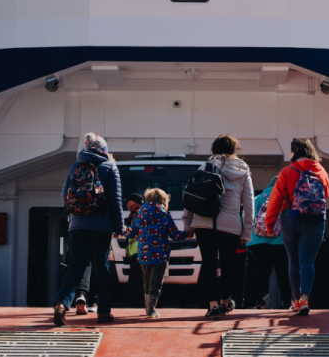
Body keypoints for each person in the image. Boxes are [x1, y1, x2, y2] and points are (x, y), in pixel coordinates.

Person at [54, 133, 124, 326]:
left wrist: (77, 213)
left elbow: (64, 195)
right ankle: (103, 312)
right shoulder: (110, 167)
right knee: (101, 267)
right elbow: (116, 201)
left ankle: (61, 304)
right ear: (103, 150)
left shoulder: (76, 166)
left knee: (75, 266)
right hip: (101, 226)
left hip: (76, 226)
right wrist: (118, 227)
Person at [183, 134, 254, 320]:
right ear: (234, 149)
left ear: (213, 149)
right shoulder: (243, 169)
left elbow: (191, 194)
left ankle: (212, 306)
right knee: (228, 264)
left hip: (204, 222)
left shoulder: (205, 166)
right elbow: (249, 204)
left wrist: (187, 224)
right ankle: (225, 302)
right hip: (230, 225)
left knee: (209, 263)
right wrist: (247, 232)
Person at [265, 138, 329, 316]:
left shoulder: (287, 171)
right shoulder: (321, 171)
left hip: (290, 218)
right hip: (315, 220)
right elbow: (326, 193)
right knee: (308, 261)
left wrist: (269, 224)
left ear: (295, 152)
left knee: (293, 262)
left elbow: (276, 199)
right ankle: (305, 299)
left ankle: (295, 301)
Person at [125, 188, 187, 319]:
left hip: (142, 253)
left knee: (146, 280)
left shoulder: (140, 214)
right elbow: (175, 235)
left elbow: (131, 233)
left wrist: (121, 230)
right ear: (163, 200)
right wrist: (188, 233)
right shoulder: (164, 214)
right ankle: (151, 309)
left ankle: (147, 307)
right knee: (156, 282)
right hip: (160, 254)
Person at [244, 176, 293, 310]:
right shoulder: (286, 200)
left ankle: (261, 302)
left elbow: (246, 217)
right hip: (281, 243)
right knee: (283, 273)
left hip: (259, 243)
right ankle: (288, 302)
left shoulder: (258, 199)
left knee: (261, 274)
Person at [121, 193, 145, 307]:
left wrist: (123, 230)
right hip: (136, 253)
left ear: (134, 203)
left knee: (137, 280)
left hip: (138, 252)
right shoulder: (134, 215)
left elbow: (134, 231)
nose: (126, 204)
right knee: (136, 279)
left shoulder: (137, 214)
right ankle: (132, 302)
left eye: (128, 201)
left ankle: (135, 303)